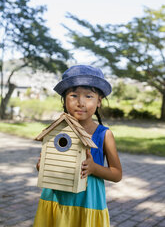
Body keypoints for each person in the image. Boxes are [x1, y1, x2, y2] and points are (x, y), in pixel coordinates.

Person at [33, 65, 122, 227]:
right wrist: (42, 166)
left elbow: (117, 174)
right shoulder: (58, 130)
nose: (80, 102)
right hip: (56, 199)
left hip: (87, 203)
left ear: (99, 101)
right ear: (64, 100)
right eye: (73, 95)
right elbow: (48, 163)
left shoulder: (104, 134)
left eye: (89, 96)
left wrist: (94, 168)